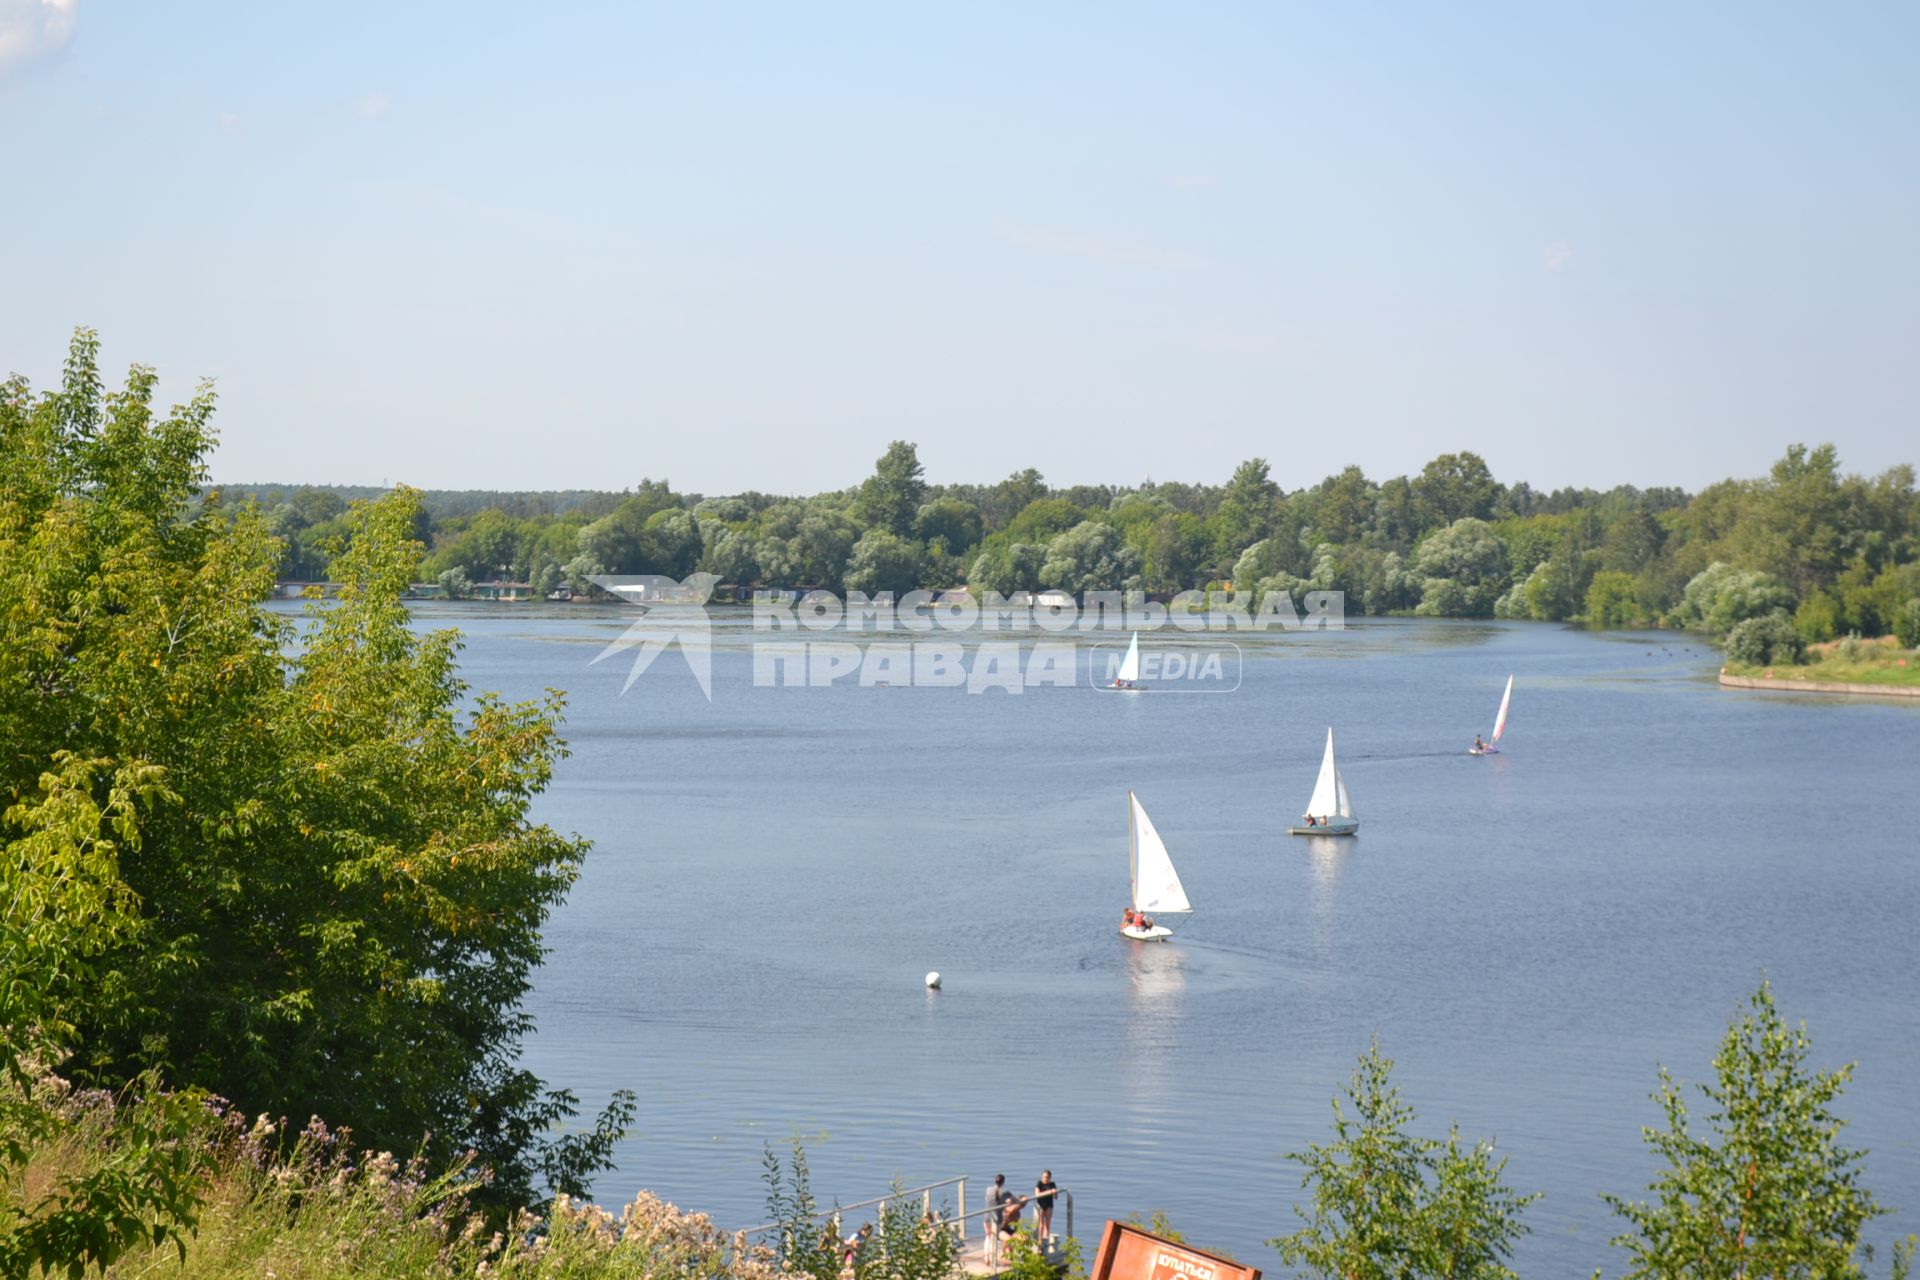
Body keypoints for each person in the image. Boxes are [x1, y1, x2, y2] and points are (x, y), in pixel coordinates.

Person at [1032, 1171, 1057, 1240]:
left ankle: (1046, 1238)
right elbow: (1037, 1195)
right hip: (1040, 1204)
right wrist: (1048, 1192)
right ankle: (1040, 1240)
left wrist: (1055, 1192)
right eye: (1043, 1177)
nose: (1045, 1179)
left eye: (1046, 1177)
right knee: (1041, 1224)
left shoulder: (1052, 1184)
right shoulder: (1039, 1183)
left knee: (1048, 1223)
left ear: (1050, 1178)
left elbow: (1056, 1197)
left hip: (1049, 1204)